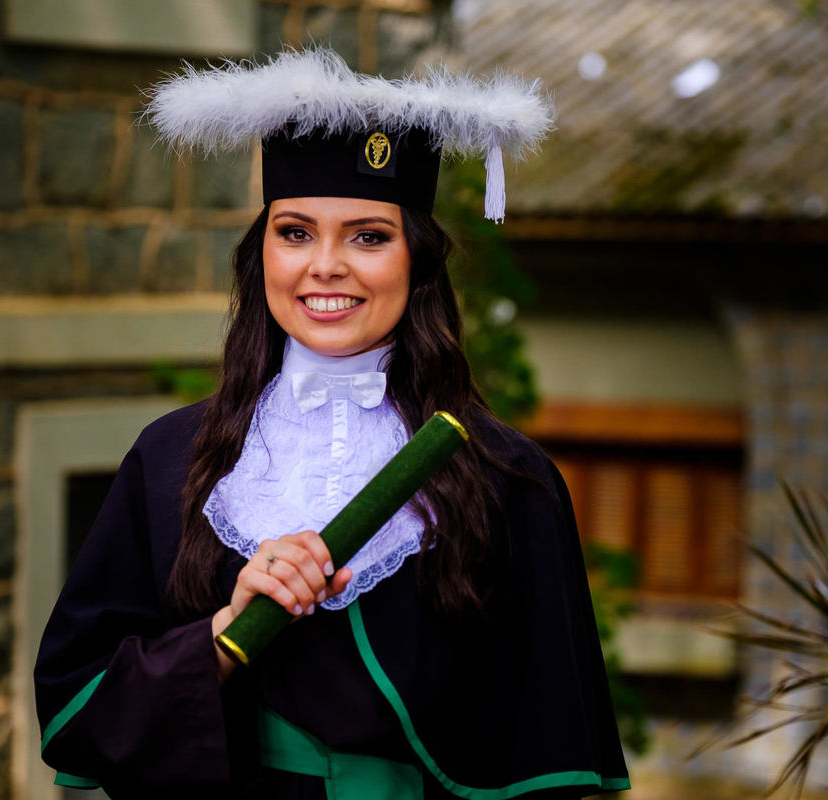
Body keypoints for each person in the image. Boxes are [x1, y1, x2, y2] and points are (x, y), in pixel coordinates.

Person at [34, 49, 630, 799]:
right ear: (262, 255)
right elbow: (77, 712)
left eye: (369, 236)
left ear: (419, 261)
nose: (325, 266)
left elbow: (553, 756)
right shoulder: (169, 459)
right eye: (295, 232)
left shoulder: (509, 479)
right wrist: (221, 637)